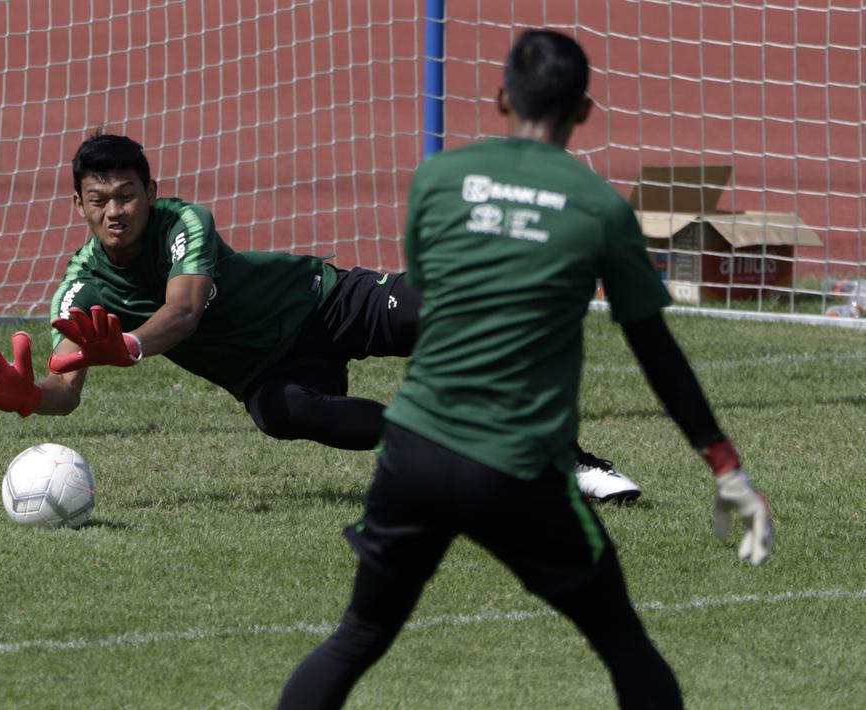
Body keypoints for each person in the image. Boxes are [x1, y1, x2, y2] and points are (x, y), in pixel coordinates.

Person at [275, 29, 773, 710]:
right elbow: (654, 349)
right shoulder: (598, 206)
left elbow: (431, 290)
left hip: (412, 448)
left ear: (500, 97)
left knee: (356, 635)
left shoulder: (437, 178)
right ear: (584, 111)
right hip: (512, 462)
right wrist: (724, 463)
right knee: (622, 641)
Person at [0, 131, 641, 502]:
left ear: (150, 192)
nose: (114, 211)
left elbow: (183, 313)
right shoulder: (79, 292)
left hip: (322, 300)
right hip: (270, 370)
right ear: (78, 205)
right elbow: (66, 392)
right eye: (97, 198)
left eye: (127, 194)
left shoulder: (184, 221)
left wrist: (127, 345)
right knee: (281, 414)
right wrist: (31, 398)